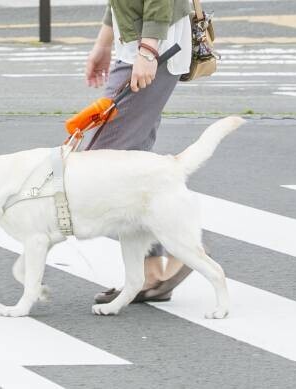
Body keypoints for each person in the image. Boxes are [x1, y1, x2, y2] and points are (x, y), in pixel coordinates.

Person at [84, 0, 198, 304]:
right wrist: (105, 43)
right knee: (132, 169)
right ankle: (150, 273)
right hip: (136, 47)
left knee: (104, 160)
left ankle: (182, 247)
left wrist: (147, 51)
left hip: (153, 50)